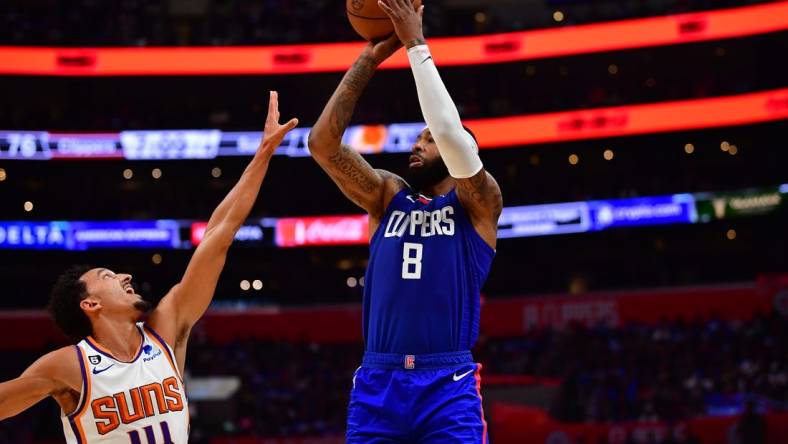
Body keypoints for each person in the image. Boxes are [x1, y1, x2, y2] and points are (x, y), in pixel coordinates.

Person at [0, 92, 298, 444]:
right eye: (108, 277)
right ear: (90, 304)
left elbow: (219, 234)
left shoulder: (165, 330)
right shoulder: (68, 366)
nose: (125, 276)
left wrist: (263, 153)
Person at [307, 0, 503, 440]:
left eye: (428, 140)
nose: (418, 145)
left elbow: (452, 134)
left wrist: (416, 43)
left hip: (446, 383)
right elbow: (322, 143)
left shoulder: (479, 202)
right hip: (379, 380)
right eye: (418, 138)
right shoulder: (387, 195)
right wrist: (369, 58)